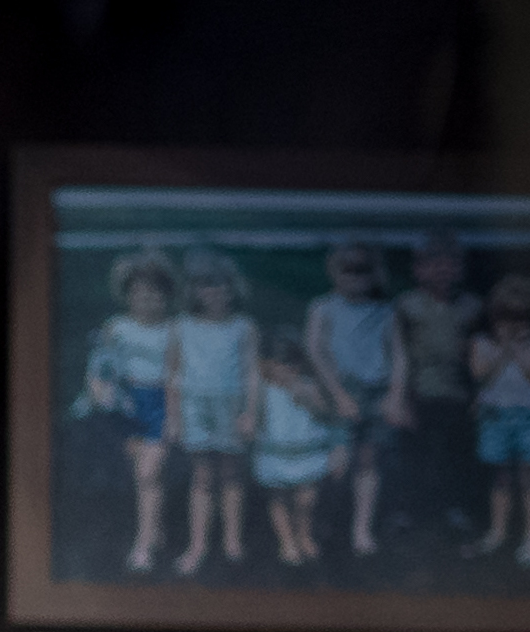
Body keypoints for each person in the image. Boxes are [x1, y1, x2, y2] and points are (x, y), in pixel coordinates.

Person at [79, 244, 182, 573]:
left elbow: (179, 377)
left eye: (155, 293)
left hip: (161, 404)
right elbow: (99, 369)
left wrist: (174, 416)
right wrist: (100, 393)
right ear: (127, 295)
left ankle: (143, 547)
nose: (148, 300)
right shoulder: (116, 328)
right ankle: (156, 531)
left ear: (167, 295)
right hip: (126, 407)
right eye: (139, 292)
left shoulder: (176, 330)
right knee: (144, 476)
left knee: (148, 473)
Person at [303, 239, 406, 560]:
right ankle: (322, 522)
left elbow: (399, 356)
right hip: (339, 390)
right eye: (348, 269)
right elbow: (314, 351)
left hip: (376, 390)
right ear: (334, 271)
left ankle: (361, 530)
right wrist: (338, 395)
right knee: (333, 463)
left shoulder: (385, 312)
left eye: (363, 270)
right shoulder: (322, 307)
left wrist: (395, 396)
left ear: (374, 273)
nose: (355, 276)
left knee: (368, 460)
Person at [165, 248, 262, 578]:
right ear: (194, 290)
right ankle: (198, 545)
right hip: (196, 407)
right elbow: (173, 374)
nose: (214, 291)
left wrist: (250, 413)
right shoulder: (182, 326)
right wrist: (174, 417)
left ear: (233, 288)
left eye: (221, 284)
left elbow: (251, 373)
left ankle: (233, 542)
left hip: (230, 406)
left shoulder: (244, 327)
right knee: (203, 476)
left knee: (231, 474)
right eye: (206, 285)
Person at [394, 228, 484, 535]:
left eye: (451, 262)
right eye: (433, 262)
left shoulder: (472, 307)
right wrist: (402, 399)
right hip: (420, 392)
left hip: (457, 394)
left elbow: (477, 355)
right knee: (414, 457)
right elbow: (400, 355)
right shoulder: (407, 305)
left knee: (456, 457)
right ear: (419, 268)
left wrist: (478, 394)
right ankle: (408, 511)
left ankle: (455, 510)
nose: (443, 269)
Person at [468, 272, 530, 568]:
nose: (514, 325)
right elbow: (480, 375)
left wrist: (519, 352)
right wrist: (503, 350)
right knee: (501, 476)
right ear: (494, 316)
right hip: (495, 417)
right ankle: (498, 532)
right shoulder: (482, 343)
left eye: (521, 318)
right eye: (506, 318)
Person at [251, 335, 344, 568]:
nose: (285, 370)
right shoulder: (261, 389)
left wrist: (309, 400)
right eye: (278, 364)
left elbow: (328, 415)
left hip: (306, 452)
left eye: (290, 365)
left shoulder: (309, 385)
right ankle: (287, 540)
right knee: (279, 497)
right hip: (276, 452)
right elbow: (254, 417)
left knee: (306, 499)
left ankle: (304, 533)